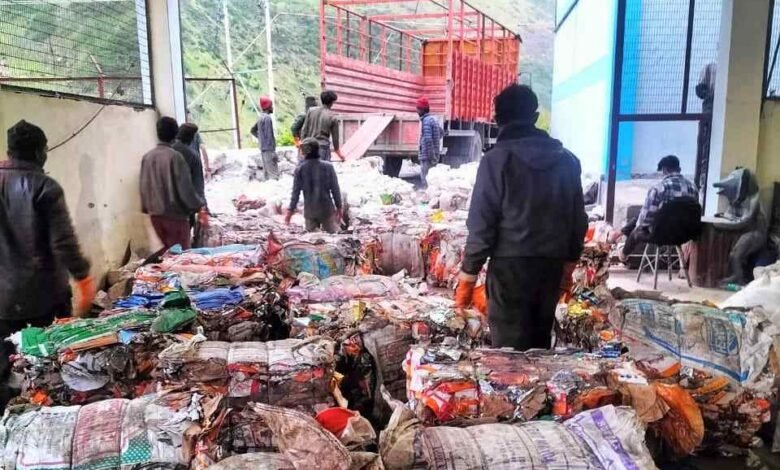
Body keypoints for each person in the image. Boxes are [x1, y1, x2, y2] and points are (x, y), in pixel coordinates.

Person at [453, 85, 588, 351]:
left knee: (508, 354)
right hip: (550, 268)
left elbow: (482, 227)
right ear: (535, 117)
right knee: (539, 347)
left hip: (510, 273)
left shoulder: (496, 161)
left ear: (497, 119)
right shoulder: (567, 161)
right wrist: (567, 268)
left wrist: (468, 278)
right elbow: (578, 221)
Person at [0, 120, 95, 335]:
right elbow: (63, 243)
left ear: (10, 151)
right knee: (51, 351)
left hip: (3, 302)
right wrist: (83, 279)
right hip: (44, 297)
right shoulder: (45, 186)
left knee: (8, 352)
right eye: (45, 149)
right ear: (38, 152)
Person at [141, 116, 207, 250]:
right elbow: (185, 189)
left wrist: (146, 208)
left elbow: (143, 186)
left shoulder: (147, 157)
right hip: (175, 217)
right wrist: (199, 206)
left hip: (155, 216)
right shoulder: (175, 157)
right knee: (181, 255)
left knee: (168, 252)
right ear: (175, 133)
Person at [619, 155, 699, 261]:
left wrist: (635, 228)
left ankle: (623, 254)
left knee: (637, 230)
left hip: (661, 235)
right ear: (679, 169)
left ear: (664, 170)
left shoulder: (659, 188)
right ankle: (621, 234)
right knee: (643, 217)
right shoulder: (693, 188)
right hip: (686, 234)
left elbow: (644, 220)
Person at [286, 137, 343, 233]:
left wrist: (290, 212)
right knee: (333, 237)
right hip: (326, 210)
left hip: (310, 212)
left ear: (304, 152)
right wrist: (339, 207)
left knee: (312, 239)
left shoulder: (300, 170)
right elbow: (335, 189)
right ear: (318, 150)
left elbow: (295, 194)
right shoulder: (328, 167)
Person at [174, 123, 208, 246]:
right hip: (185, 207)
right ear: (192, 138)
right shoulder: (192, 155)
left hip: (164, 207)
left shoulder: (169, 150)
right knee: (183, 243)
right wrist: (202, 206)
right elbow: (198, 184)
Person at [301, 90, 345, 162]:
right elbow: (335, 141)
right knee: (323, 168)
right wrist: (340, 155)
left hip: (309, 146)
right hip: (322, 148)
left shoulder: (311, 111)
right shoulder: (332, 117)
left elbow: (304, 130)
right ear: (332, 102)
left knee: (309, 167)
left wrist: (303, 146)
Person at [250, 96, 279, 181]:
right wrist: (273, 152)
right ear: (268, 107)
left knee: (266, 174)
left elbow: (252, 130)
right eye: (271, 106)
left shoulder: (260, 117)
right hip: (269, 150)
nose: (272, 108)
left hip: (263, 149)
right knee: (273, 175)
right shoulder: (267, 118)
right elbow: (269, 135)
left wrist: (261, 138)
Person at [416, 96, 443, 187]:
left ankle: (426, 193)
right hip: (432, 155)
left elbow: (428, 140)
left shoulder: (426, 121)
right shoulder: (433, 119)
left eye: (418, 109)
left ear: (423, 109)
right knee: (432, 180)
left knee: (425, 179)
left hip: (427, 156)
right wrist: (436, 143)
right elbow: (441, 132)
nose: (417, 111)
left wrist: (431, 157)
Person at [184, 110, 212, 179]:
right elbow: (203, 149)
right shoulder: (195, 133)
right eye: (189, 120)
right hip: (196, 165)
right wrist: (207, 167)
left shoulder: (178, 135)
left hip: (184, 167)